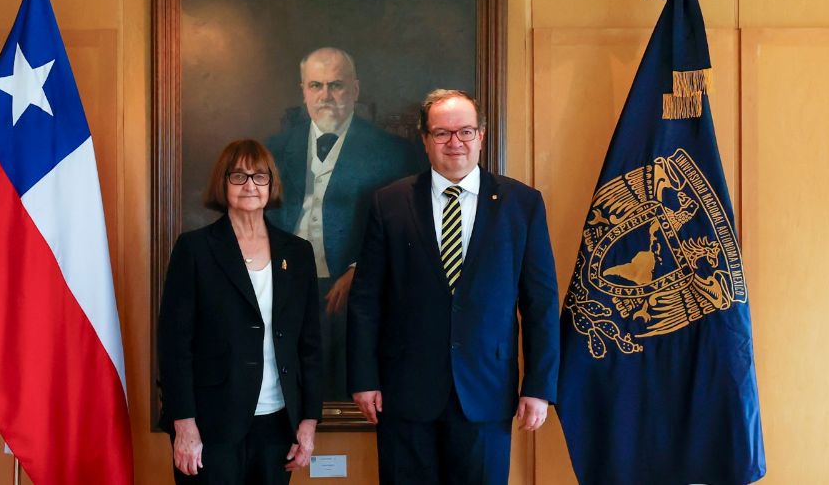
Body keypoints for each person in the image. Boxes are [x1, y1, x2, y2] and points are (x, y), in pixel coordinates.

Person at [346, 90, 561, 484]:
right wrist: (364, 377)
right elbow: (365, 302)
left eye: (464, 131)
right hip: (405, 392)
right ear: (425, 140)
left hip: (486, 392)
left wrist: (539, 386)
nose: (454, 143)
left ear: (481, 135)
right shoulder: (388, 203)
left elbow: (541, 304)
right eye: (442, 133)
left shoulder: (522, 204)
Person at [158, 140, 323, 484]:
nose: (250, 185)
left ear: (271, 183)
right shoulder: (195, 249)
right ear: (223, 183)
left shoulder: (298, 252)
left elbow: (310, 344)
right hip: (210, 423)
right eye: (239, 176)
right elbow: (175, 347)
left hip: (278, 423)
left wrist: (308, 421)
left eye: (259, 176)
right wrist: (184, 423)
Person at [266, 47, 424, 400]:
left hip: (351, 288)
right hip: (285, 284)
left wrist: (359, 268)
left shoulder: (393, 153)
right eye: (316, 86)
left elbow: (409, 230)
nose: (326, 96)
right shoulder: (275, 148)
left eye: (336, 85)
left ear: (355, 89)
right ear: (303, 91)